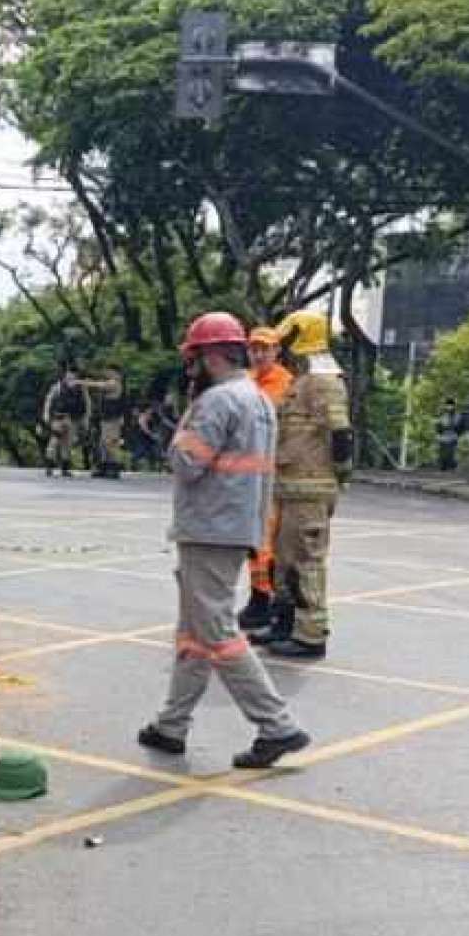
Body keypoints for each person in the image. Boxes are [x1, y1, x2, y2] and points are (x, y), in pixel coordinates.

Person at [137, 312, 311, 769]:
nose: (190, 368)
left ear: (209, 356)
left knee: (215, 630)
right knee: (194, 631)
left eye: (193, 358)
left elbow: (187, 463)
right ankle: (171, 725)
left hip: (210, 527)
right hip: (233, 526)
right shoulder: (256, 397)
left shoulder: (217, 402)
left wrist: (171, 434)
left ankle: (277, 726)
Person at [265, 329, 353, 659]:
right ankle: (285, 624)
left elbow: (341, 433)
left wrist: (341, 473)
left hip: (311, 488)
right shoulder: (304, 380)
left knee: (306, 562)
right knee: (284, 562)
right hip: (292, 486)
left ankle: (311, 635)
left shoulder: (324, 380)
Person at [240, 324, 296, 633]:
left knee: (269, 539)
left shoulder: (284, 383)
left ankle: (268, 600)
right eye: (255, 348)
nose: (260, 353)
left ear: (276, 351)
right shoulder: (246, 381)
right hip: (249, 471)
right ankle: (259, 596)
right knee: (253, 538)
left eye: (266, 348)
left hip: (273, 471)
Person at [41, 371, 86, 477]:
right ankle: (49, 467)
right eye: (69, 376)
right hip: (58, 417)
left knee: (67, 444)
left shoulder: (80, 389)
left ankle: (65, 469)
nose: (71, 378)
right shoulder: (57, 387)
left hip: (72, 419)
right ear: (65, 377)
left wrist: (84, 419)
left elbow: (85, 404)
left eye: (73, 376)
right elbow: (48, 400)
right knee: (54, 441)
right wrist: (46, 414)